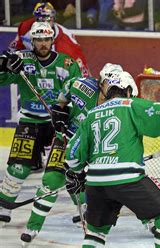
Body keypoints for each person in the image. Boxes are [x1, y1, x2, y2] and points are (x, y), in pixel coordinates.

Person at [64, 71, 160, 247]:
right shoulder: (130, 105)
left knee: (95, 232)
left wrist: (78, 175)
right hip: (128, 180)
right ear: (128, 91)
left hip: (96, 184)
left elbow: (71, 155)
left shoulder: (91, 114)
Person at [19, 63, 124, 245]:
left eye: (117, 84)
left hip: (93, 148)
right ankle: (33, 226)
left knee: (95, 187)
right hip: (66, 140)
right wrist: (60, 110)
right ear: (100, 82)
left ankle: (151, 219)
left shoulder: (122, 102)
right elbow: (64, 96)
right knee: (51, 180)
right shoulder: (79, 85)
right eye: (110, 83)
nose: (115, 88)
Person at [0, 21, 82, 227]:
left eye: (46, 39)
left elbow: (78, 92)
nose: (43, 43)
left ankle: (86, 208)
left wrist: (67, 113)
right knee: (18, 168)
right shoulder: (22, 60)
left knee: (67, 169)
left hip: (58, 124)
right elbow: (1, 78)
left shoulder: (67, 64)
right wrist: (2, 65)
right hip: (30, 120)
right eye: (38, 39)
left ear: (52, 40)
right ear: (32, 41)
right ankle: (3, 207)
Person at [8, 2, 90, 77]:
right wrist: (11, 58)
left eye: (49, 18)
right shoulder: (25, 27)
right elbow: (16, 48)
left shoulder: (66, 43)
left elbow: (82, 73)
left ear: (53, 18)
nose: (46, 22)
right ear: (35, 19)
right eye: (42, 19)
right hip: (33, 72)